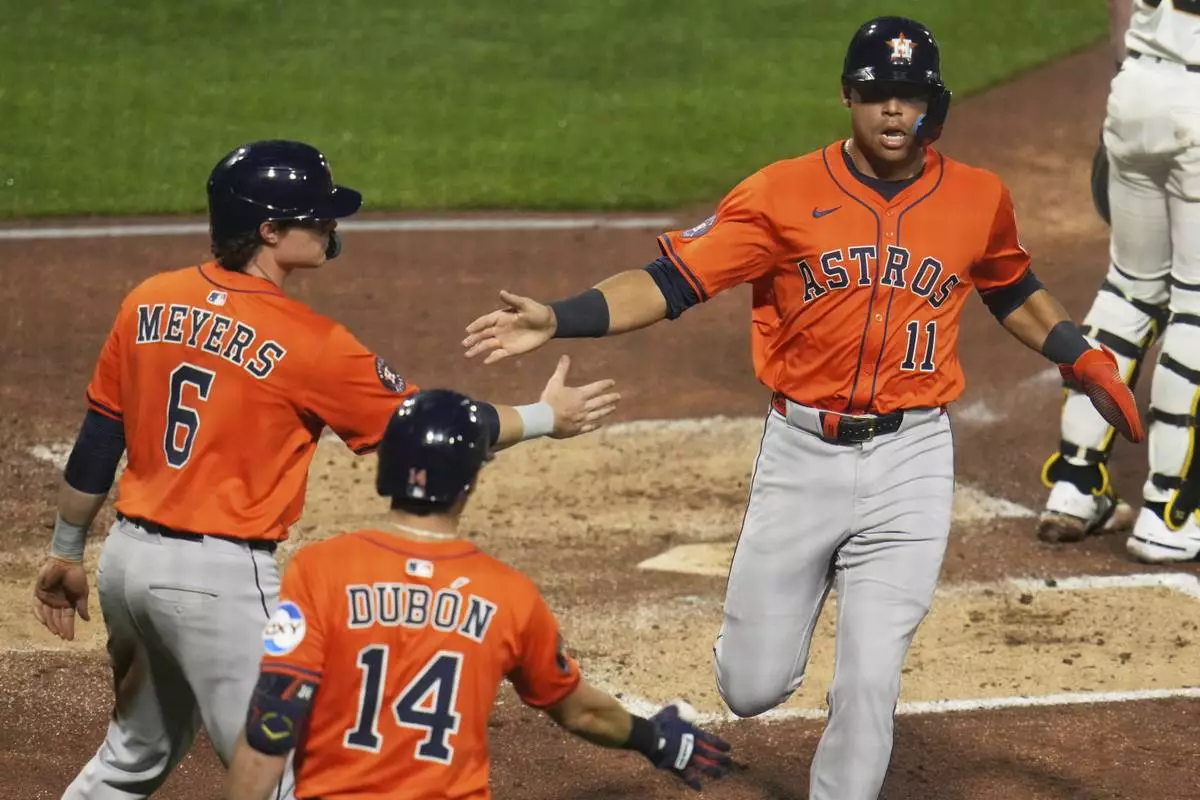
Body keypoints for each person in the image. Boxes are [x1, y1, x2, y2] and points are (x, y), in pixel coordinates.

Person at [460, 16, 1143, 800]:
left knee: (870, 679)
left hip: (912, 459)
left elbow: (1011, 285)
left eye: (909, 94)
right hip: (802, 454)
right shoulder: (781, 194)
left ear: (934, 102)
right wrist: (559, 316)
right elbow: (669, 281)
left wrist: (1081, 354)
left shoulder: (977, 197)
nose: (893, 110)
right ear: (848, 97)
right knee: (750, 686)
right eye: (876, 93)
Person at [30, 139, 621, 800]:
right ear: (269, 230)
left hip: (126, 565)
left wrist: (66, 550)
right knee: (293, 776)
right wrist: (545, 416)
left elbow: (99, 436)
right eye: (315, 216)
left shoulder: (148, 300)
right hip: (217, 586)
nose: (330, 225)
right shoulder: (309, 342)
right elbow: (427, 428)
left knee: (133, 754)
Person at [222, 388, 732, 799]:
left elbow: (273, 722)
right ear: (469, 481)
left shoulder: (320, 570)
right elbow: (581, 711)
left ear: (386, 469)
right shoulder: (509, 596)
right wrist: (654, 738)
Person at [1037, 0, 1200, 561]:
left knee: (1130, 291)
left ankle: (1076, 483)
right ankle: (1171, 510)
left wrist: (1139, 88)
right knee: (1195, 307)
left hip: (1136, 86)